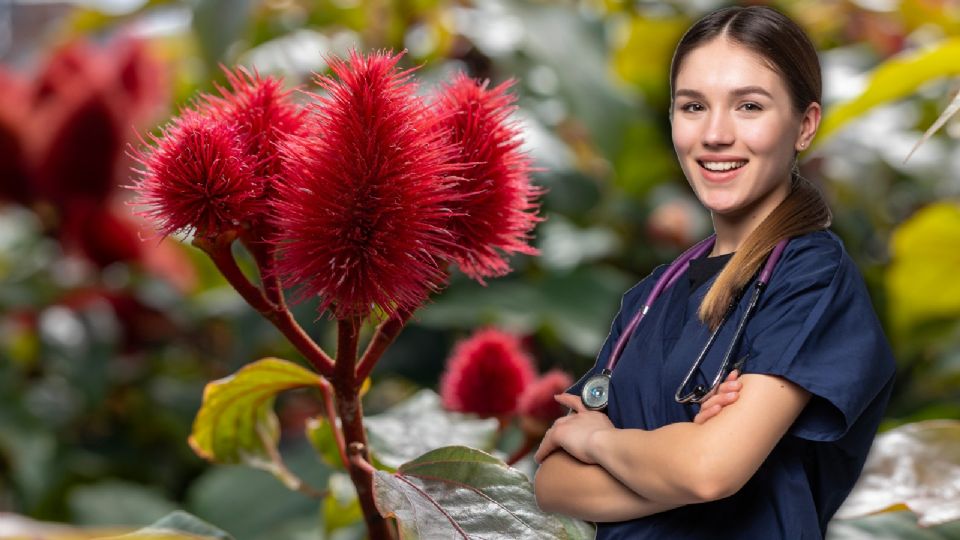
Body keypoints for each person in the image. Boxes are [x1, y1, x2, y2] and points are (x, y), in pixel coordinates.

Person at [532, 5, 896, 539]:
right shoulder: (650, 298)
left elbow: (708, 472)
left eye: (749, 105)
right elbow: (553, 484)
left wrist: (598, 442)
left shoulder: (811, 277)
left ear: (805, 125)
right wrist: (676, 455)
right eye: (693, 106)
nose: (715, 134)